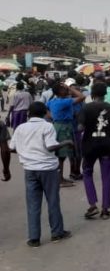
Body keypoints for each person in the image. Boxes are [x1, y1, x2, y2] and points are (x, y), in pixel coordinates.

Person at [9, 101, 74, 247]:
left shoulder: (20, 128)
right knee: (52, 201)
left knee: (33, 204)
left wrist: (26, 152)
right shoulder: (47, 126)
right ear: (45, 113)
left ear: (28, 113)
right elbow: (51, 146)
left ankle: (34, 238)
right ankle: (57, 232)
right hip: (47, 168)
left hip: (30, 169)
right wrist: (66, 142)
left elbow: (12, 147)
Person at [80, 82, 110, 220]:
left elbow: (80, 127)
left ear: (92, 94)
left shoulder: (85, 108)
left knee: (87, 172)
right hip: (107, 146)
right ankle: (105, 209)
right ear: (105, 94)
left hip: (90, 146)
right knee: (107, 177)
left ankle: (92, 204)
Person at [47, 82, 86, 187]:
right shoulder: (64, 101)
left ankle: (60, 177)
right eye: (63, 89)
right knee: (61, 154)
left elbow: (45, 109)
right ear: (60, 91)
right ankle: (60, 179)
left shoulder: (52, 101)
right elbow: (82, 97)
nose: (67, 90)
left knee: (61, 154)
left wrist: (53, 117)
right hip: (64, 127)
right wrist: (69, 87)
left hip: (58, 125)